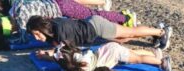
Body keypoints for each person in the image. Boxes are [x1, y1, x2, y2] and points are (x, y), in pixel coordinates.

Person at [0, 0, 136, 50]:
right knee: (90, 14)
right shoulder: (13, 10)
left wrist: (10, 44)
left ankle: (124, 17)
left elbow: (24, 38)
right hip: (56, 3)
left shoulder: (22, 19)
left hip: (61, 8)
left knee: (93, 15)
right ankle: (118, 17)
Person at [26, 15, 172, 50]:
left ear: (43, 28)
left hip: (97, 27)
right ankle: (154, 33)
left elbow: (68, 51)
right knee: (122, 39)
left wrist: (52, 54)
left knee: (130, 33)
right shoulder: (53, 28)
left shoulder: (60, 32)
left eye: (37, 34)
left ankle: (161, 32)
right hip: (92, 28)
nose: (36, 38)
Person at [37, 40, 172, 71]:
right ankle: (154, 55)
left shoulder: (82, 69)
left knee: (138, 59)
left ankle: (161, 62)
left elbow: (69, 70)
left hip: (113, 54)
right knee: (134, 53)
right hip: (108, 50)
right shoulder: (79, 57)